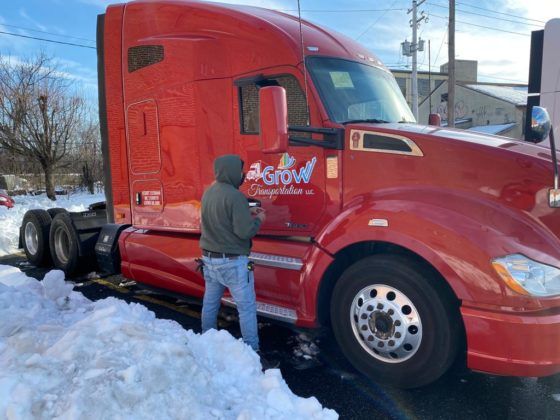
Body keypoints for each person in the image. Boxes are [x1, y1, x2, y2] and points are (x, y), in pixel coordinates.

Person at [200, 154, 278, 369]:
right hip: (233, 263)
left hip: (209, 260)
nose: (243, 175)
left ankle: (206, 341)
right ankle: (253, 354)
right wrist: (259, 219)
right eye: (241, 171)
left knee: (210, 303)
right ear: (232, 171)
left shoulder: (209, 193)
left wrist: (247, 211)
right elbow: (244, 232)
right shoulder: (235, 196)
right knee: (246, 308)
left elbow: (220, 219)